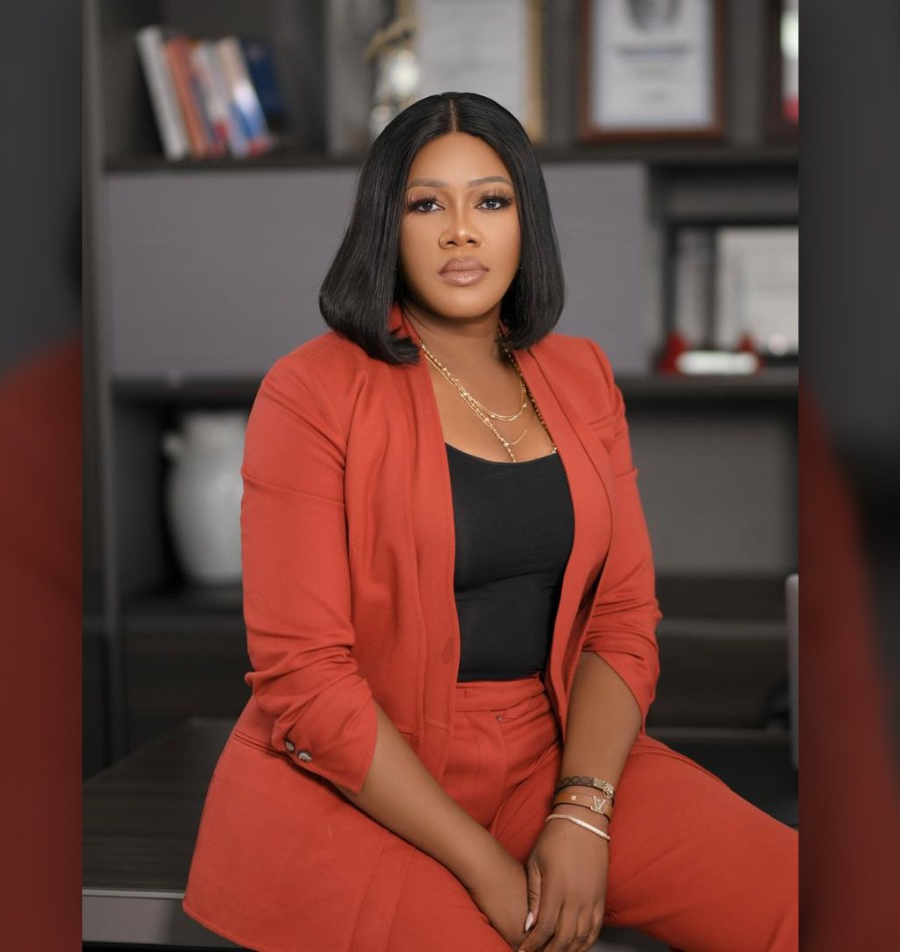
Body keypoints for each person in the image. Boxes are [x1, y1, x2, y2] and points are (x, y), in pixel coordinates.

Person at [182, 92, 796, 952]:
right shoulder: (311, 390)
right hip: (363, 782)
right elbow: (305, 679)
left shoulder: (582, 376)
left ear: (524, 220)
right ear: (385, 226)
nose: (461, 232)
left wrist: (582, 811)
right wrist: (484, 867)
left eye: (492, 201)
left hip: (551, 756)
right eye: (426, 204)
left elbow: (621, 621)